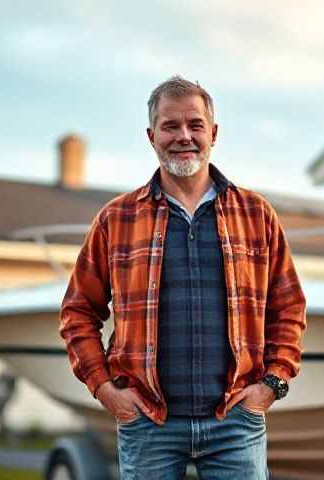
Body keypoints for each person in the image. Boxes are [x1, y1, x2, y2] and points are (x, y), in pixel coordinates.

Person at [59, 75, 307, 479]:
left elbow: (289, 306)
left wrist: (272, 384)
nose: (184, 136)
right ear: (151, 135)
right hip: (147, 422)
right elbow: (78, 312)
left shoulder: (256, 214)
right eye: (170, 126)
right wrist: (104, 389)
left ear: (213, 132)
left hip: (236, 423)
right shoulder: (116, 219)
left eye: (194, 125)